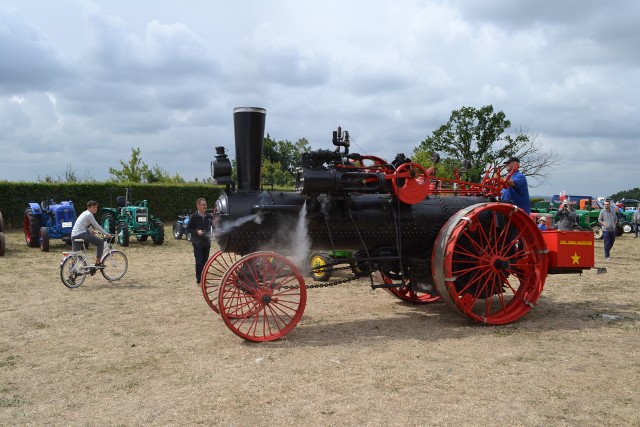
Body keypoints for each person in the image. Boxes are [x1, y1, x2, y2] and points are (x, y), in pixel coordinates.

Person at [71, 200, 113, 269]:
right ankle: (98, 263)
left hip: (74, 235)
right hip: (82, 234)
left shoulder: (84, 213)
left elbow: (87, 224)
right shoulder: (89, 215)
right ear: (88, 208)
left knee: (75, 255)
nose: (95, 209)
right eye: (94, 207)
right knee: (100, 242)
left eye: (96, 207)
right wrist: (106, 234)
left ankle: (72, 272)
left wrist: (92, 231)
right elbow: (97, 225)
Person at [186, 198, 213, 285]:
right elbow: (188, 229)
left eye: (205, 204)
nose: (205, 206)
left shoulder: (209, 216)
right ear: (198, 205)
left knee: (205, 262)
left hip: (207, 242)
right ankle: (199, 280)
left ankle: (204, 279)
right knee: (199, 261)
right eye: (203, 204)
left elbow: (214, 226)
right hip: (197, 242)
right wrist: (197, 232)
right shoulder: (194, 217)